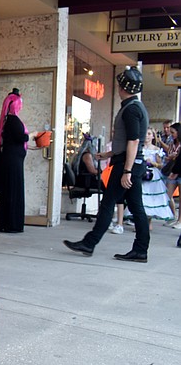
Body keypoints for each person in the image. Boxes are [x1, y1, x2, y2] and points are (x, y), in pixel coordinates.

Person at [64, 66, 150, 262]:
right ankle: (140, 250)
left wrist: (126, 170)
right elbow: (129, 141)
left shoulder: (131, 110)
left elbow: (134, 141)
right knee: (136, 207)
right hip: (131, 163)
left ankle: (90, 243)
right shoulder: (136, 107)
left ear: (123, 86)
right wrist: (108, 154)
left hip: (127, 165)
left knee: (108, 203)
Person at [0, 88, 28, 232]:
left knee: (7, 191)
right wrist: (31, 136)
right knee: (12, 192)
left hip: (9, 160)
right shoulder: (13, 121)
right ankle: (11, 224)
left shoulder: (6, 121)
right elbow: (22, 137)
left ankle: (5, 222)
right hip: (13, 163)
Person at [124, 127, 174, 223]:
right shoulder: (138, 148)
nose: (147, 136)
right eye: (145, 133)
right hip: (140, 174)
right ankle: (139, 221)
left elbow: (161, 165)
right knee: (140, 197)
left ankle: (148, 222)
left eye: (149, 134)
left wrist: (153, 163)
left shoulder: (156, 150)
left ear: (153, 136)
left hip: (152, 175)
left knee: (151, 198)